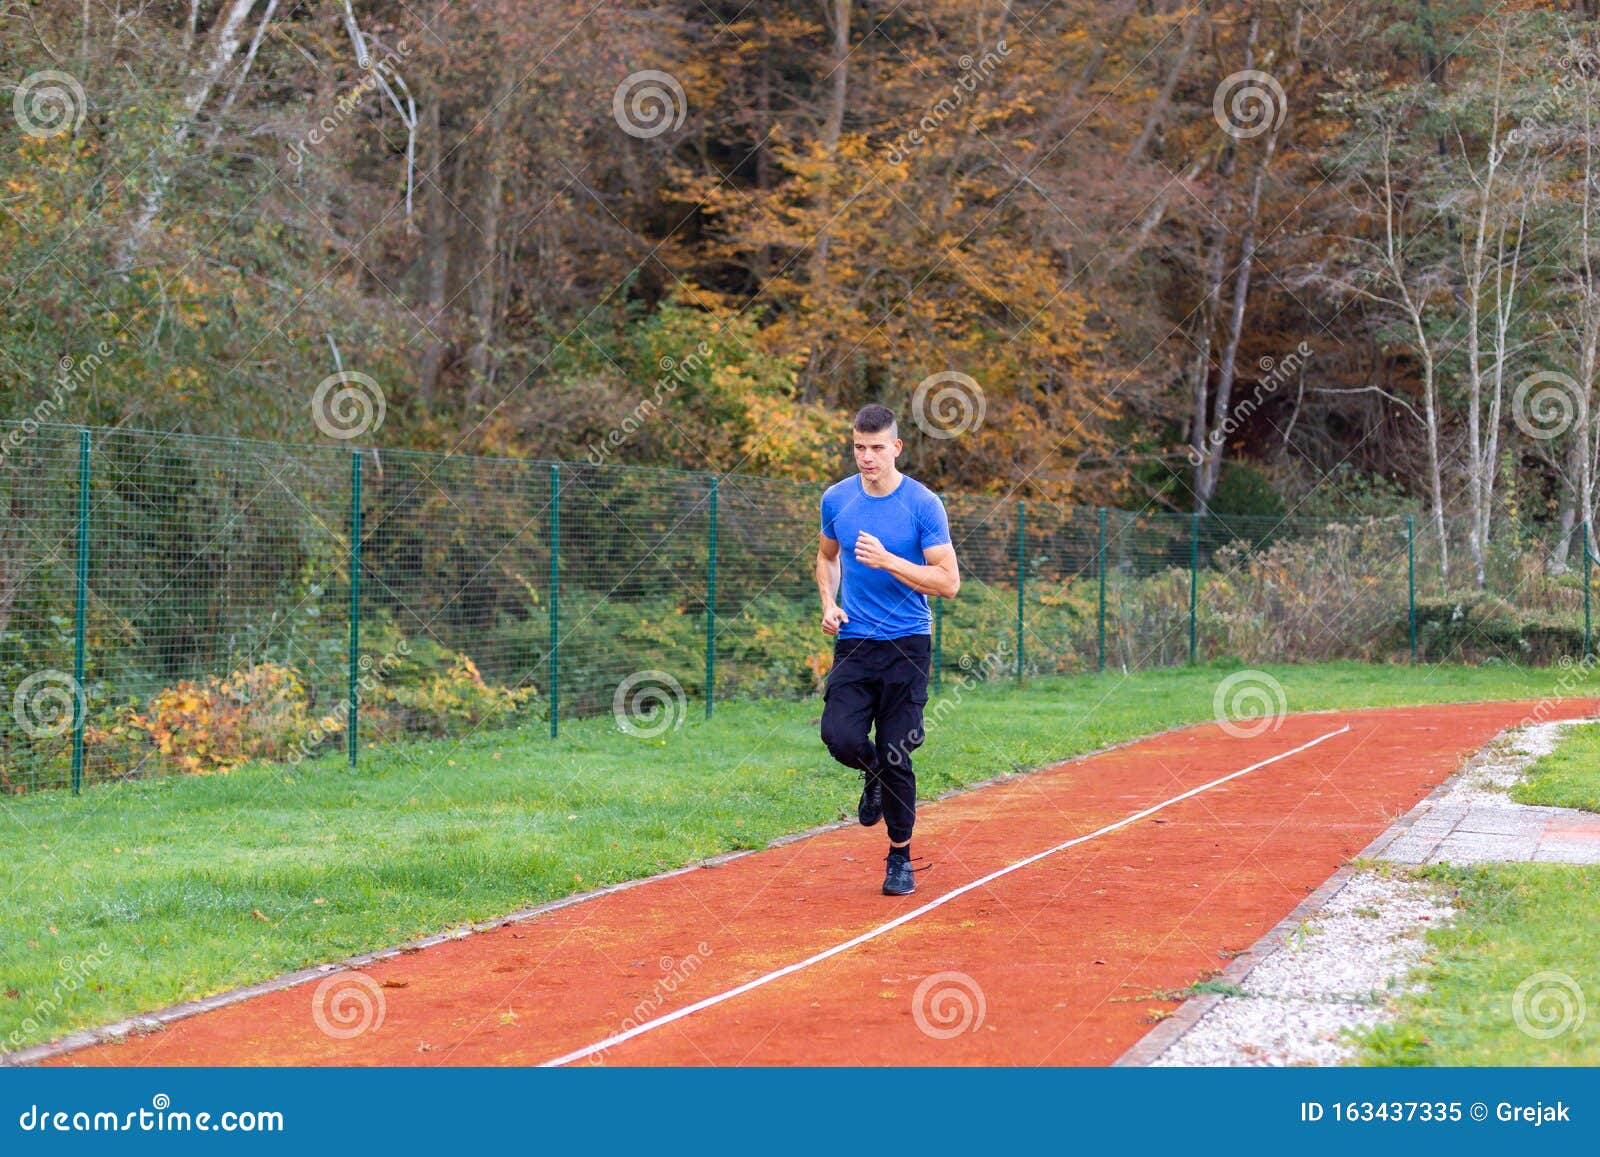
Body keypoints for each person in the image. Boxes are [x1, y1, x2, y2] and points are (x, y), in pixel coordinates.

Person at [816, 404, 960, 896]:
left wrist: (889, 561)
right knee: (839, 736)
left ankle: (900, 857)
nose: (867, 457)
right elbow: (826, 555)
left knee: (898, 752)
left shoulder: (922, 504)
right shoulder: (836, 499)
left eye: (877, 448)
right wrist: (828, 602)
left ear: (896, 448)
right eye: (859, 446)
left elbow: (948, 582)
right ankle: (870, 772)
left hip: (907, 644)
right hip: (855, 640)